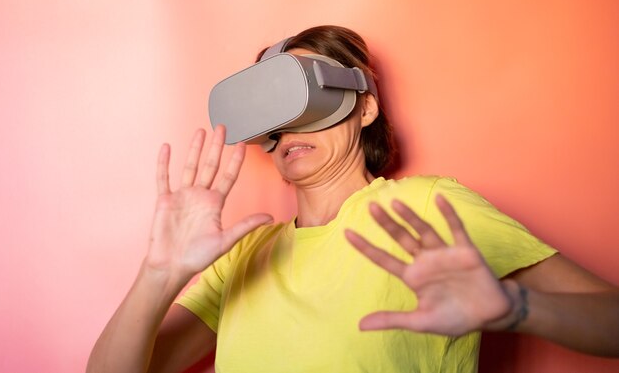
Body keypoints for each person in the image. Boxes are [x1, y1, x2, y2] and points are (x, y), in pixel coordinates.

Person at [87, 25, 619, 373]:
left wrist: (518, 308)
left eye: (305, 98)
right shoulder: (245, 254)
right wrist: (157, 274)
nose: (291, 125)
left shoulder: (427, 205)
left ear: (364, 108)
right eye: (273, 109)